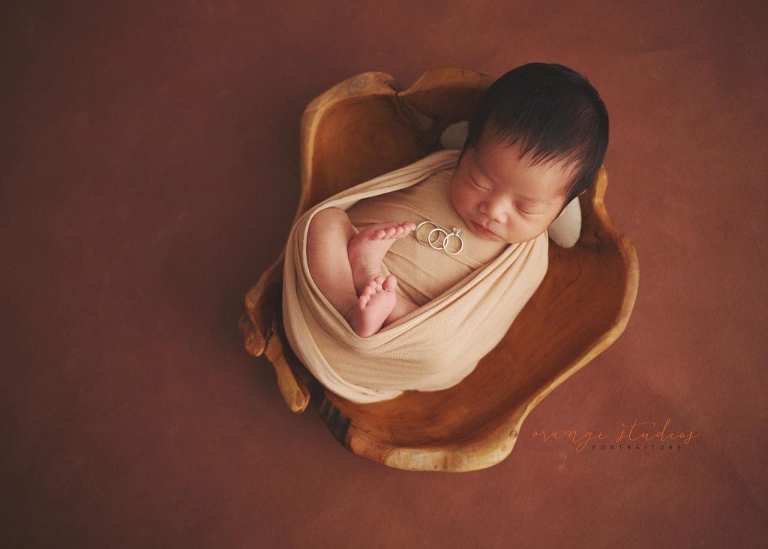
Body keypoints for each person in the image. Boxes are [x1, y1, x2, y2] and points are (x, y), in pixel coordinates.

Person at [306, 62, 609, 338]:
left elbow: (472, 331)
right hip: (334, 279)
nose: (493, 210)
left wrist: (406, 315)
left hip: (404, 326)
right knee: (323, 221)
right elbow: (368, 201)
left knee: (439, 340)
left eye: (525, 206)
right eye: (480, 181)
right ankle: (349, 303)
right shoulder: (441, 169)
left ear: (562, 206)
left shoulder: (527, 262)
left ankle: (374, 296)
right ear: (466, 150)